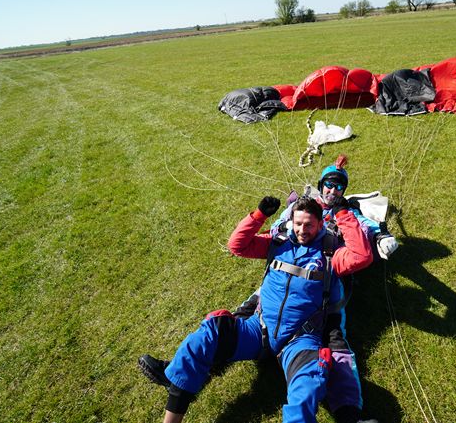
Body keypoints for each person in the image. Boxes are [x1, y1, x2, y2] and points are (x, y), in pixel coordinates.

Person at [139, 195, 373, 423]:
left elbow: (362, 256)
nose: (303, 230)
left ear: (320, 224)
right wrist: (258, 215)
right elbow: (237, 245)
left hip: (300, 339)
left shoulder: (330, 254)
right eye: (298, 224)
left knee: (308, 385)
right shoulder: (278, 244)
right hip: (259, 328)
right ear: (292, 222)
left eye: (309, 225)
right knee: (207, 334)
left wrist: (343, 214)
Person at [233, 155, 396, 423]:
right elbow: (278, 226)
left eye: (339, 187)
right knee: (249, 308)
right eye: (329, 185)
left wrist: (381, 235)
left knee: (336, 343)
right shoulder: (302, 207)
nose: (333, 190)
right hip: (289, 269)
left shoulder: (347, 211)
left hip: (328, 275)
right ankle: (204, 358)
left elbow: (364, 230)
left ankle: (349, 415)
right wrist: (281, 225)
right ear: (321, 186)